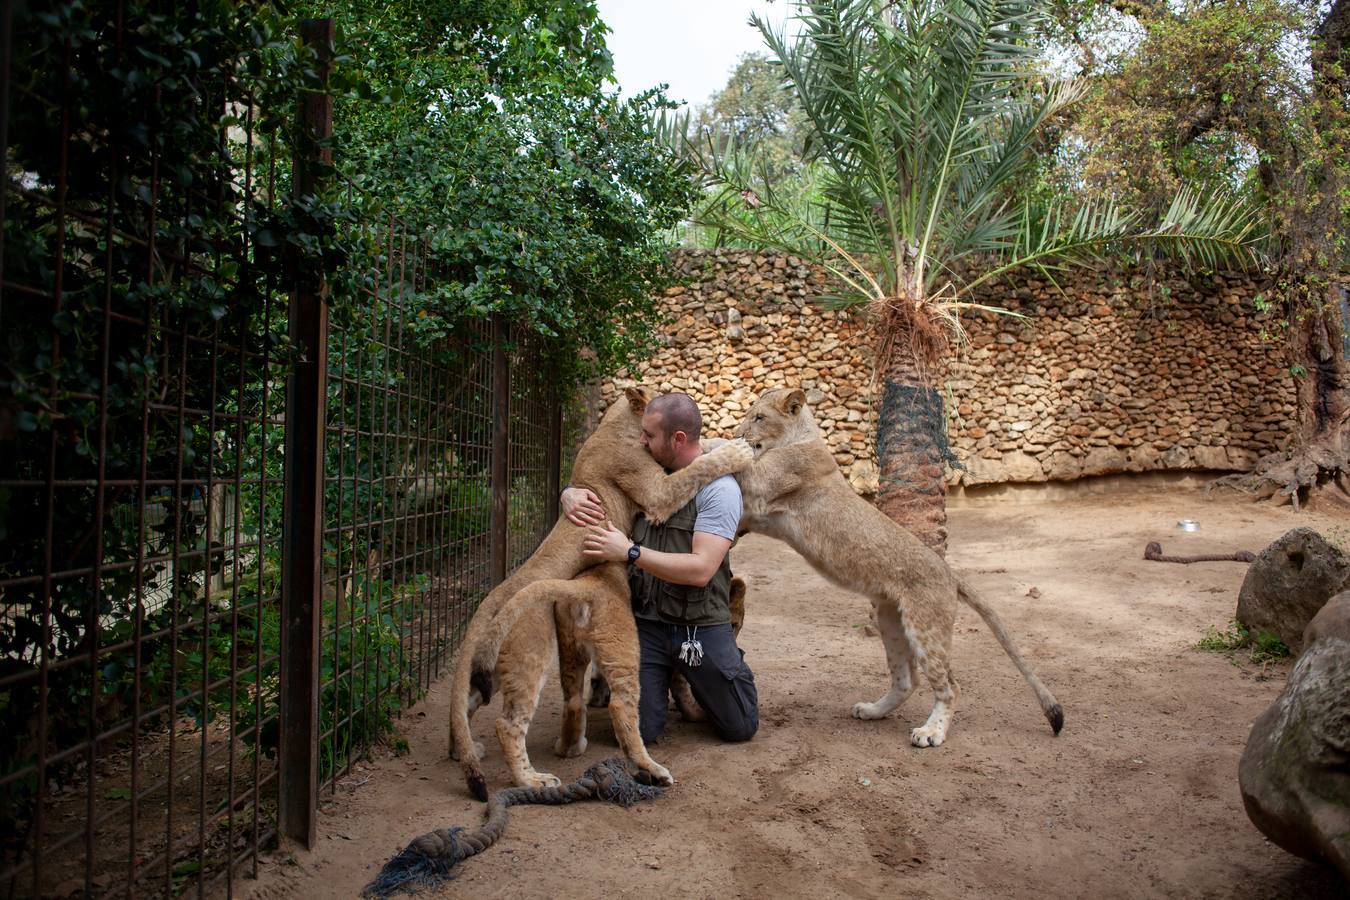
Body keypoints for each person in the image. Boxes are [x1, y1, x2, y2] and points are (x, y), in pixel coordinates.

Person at [565, 392, 758, 745]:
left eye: (650, 436)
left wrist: (631, 552)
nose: (641, 441)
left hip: (696, 626)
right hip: (648, 622)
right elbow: (598, 478)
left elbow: (701, 570)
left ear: (678, 439)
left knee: (739, 726)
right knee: (638, 731)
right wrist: (570, 493)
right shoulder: (645, 473)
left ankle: (718, 666)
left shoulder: (720, 489)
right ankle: (664, 676)